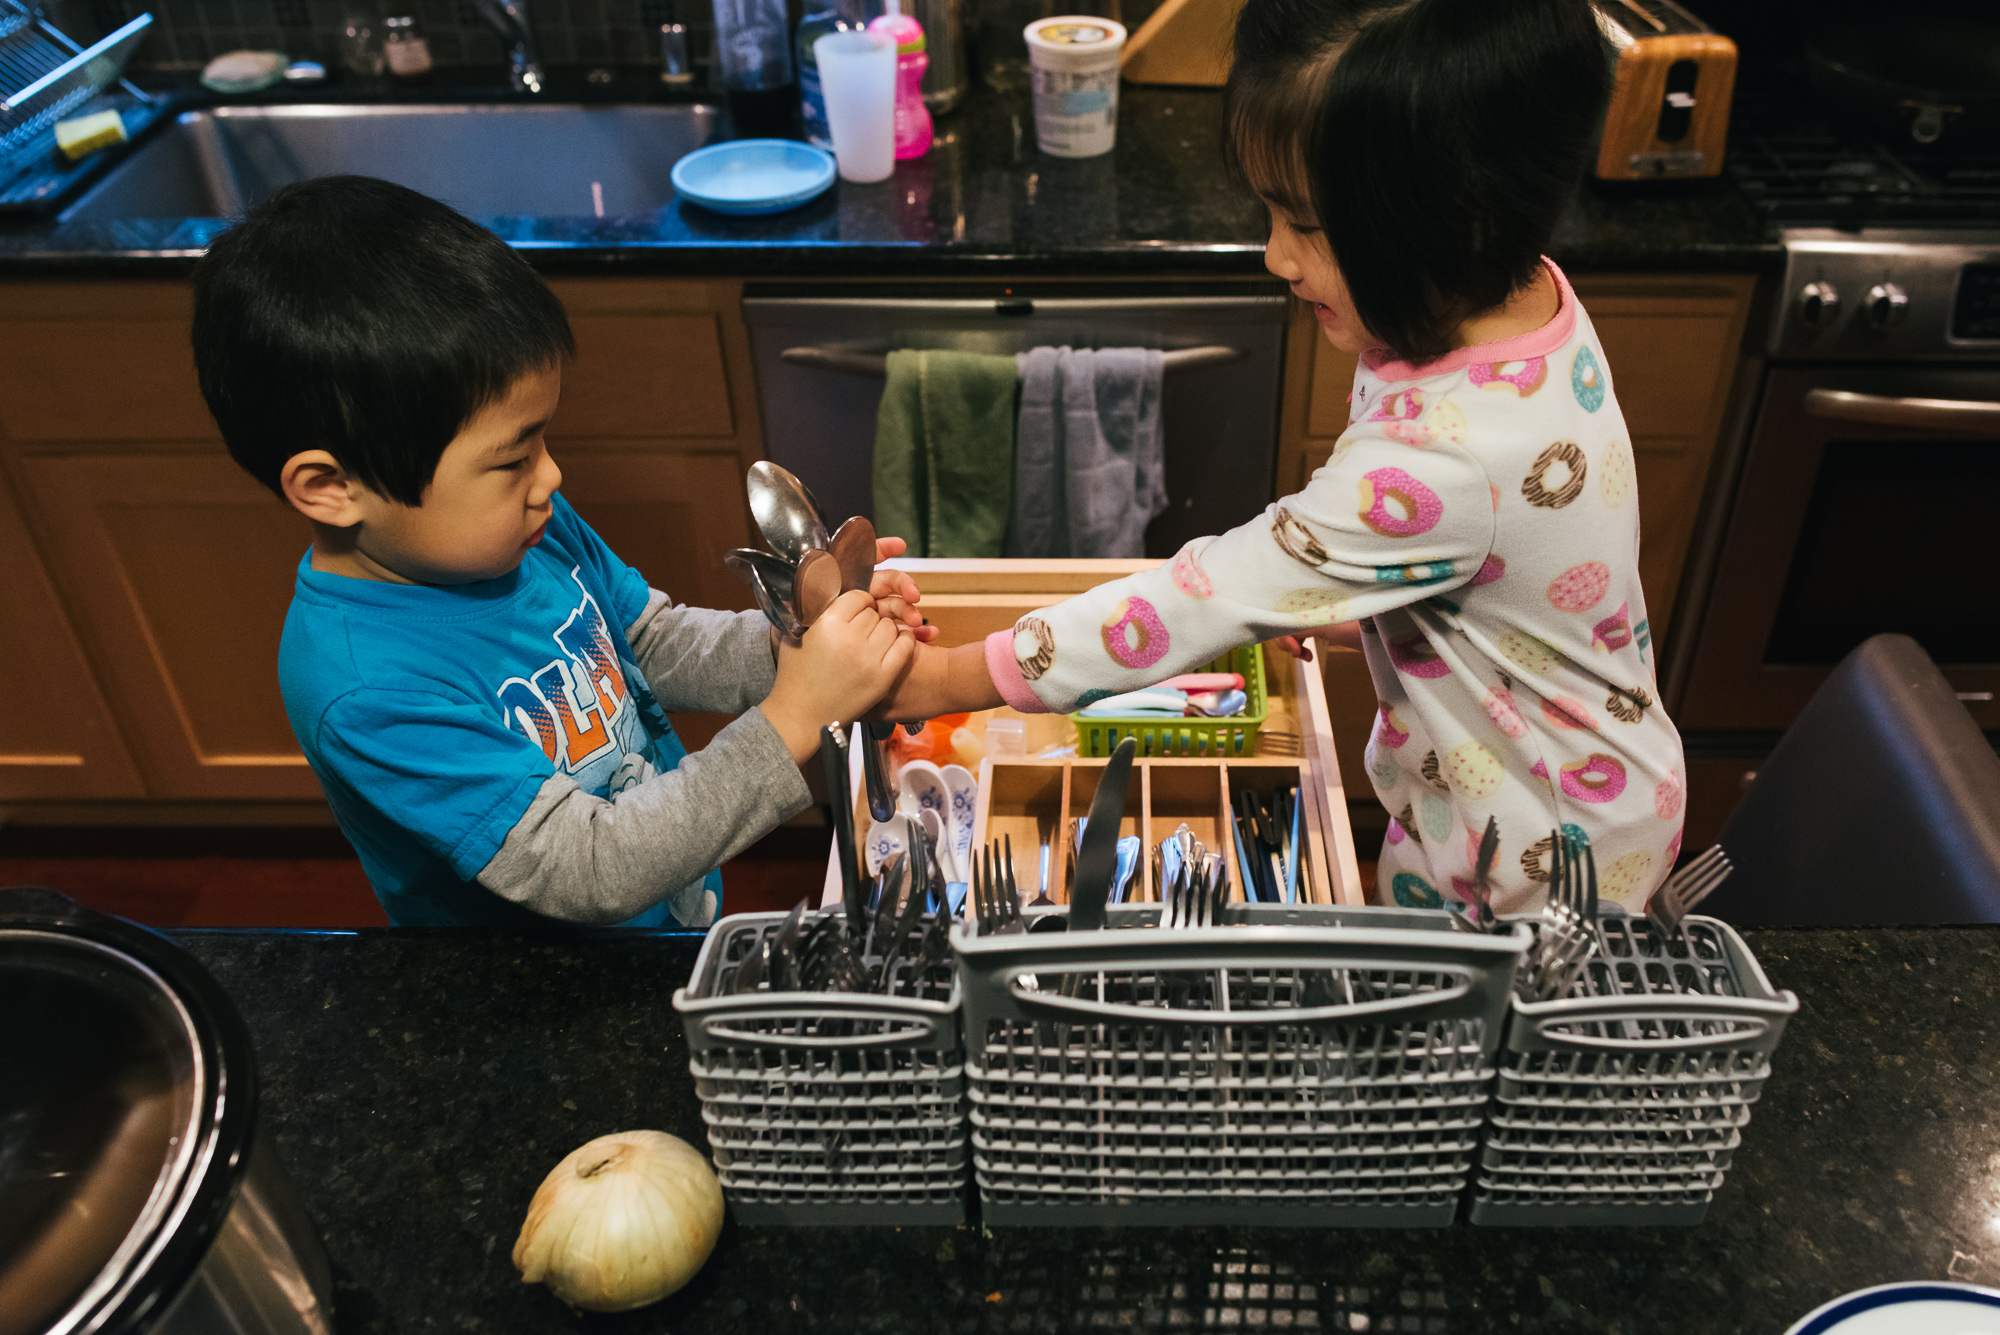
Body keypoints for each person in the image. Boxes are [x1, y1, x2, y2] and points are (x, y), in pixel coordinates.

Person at [878, 0, 1685, 915]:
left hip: (1542, 861)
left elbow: (1202, 598)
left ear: (1456, 221)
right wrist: (1361, 603)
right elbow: (1491, 569)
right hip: (1554, 795)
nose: (1274, 256)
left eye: (1305, 223)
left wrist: (940, 679)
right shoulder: (1525, 299)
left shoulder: (1446, 459)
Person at [193, 175, 924, 928]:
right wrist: (798, 711)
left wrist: (804, 642)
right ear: (329, 486)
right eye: (512, 458)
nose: (551, 476)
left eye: (542, 438)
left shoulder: (522, 527)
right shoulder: (367, 690)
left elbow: (649, 640)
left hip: (666, 916)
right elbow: (590, 865)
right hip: (545, 1000)